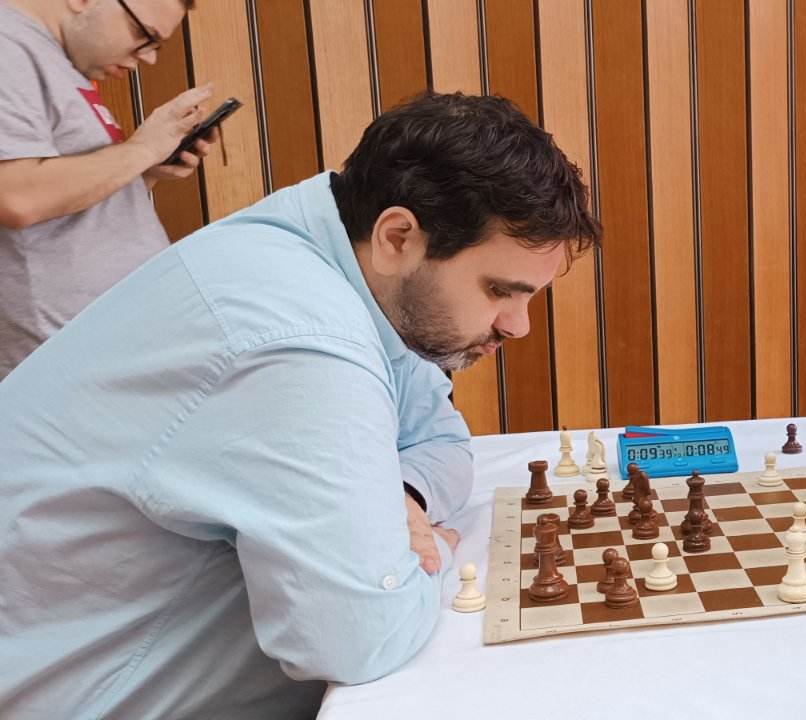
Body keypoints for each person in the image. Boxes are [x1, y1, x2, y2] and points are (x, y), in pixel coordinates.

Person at [0, 92, 601, 718]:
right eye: (500, 290)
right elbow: (359, 640)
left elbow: (442, 440)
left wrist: (401, 498)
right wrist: (434, 547)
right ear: (398, 236)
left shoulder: (348, 269)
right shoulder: (300, 336)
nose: (517, 326)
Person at [0, 0, 218, 380]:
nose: (148, 57)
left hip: (108, 357)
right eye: (143, 35)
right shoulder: (9, 46)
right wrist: (141, 150)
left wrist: (142, 172)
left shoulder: (56, 60)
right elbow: (16, 196)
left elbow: (66, 213)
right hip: (65, 368)